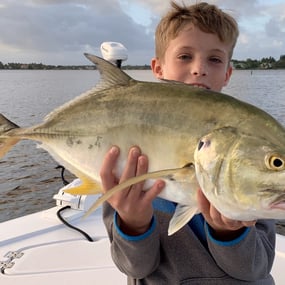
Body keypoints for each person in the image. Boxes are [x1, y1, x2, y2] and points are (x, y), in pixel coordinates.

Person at [100, 2, 276, 284]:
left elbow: (255, 269)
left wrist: (230, 232)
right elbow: (135, 268)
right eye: (184, 56)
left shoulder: (246, 147)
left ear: (228, 73)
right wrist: (133, 223)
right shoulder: (132, 149)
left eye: (215, 60)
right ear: (158, 67)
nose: (199, 69)